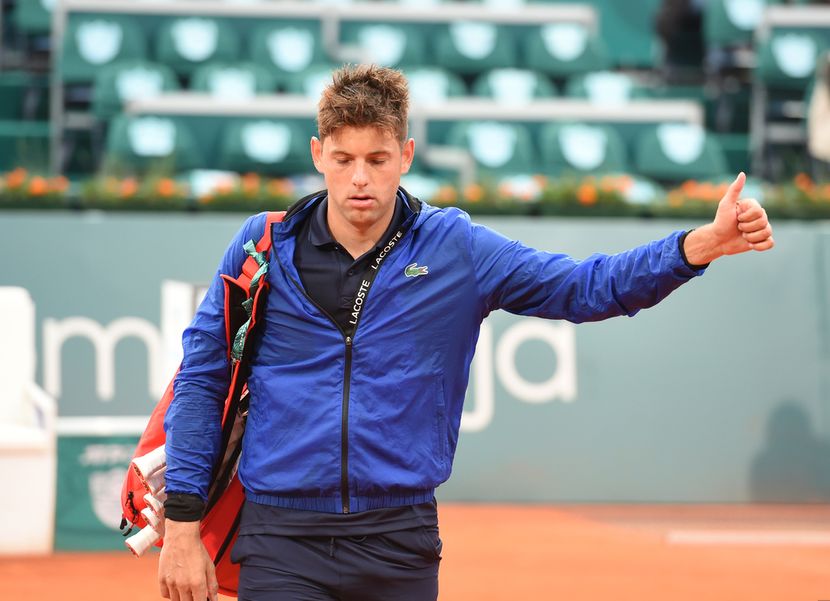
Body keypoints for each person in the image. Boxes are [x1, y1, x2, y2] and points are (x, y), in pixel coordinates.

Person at [158, 63, 774, 601]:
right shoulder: (264, 247)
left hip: (398, 541)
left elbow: (584, 287)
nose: (359, 179)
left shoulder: (456, 248)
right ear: (319, 154)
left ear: (406, 155)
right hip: (280, 538)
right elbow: (203, 377)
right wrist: (183, 524)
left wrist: (699, 246)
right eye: (343, 160)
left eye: (377, 160)